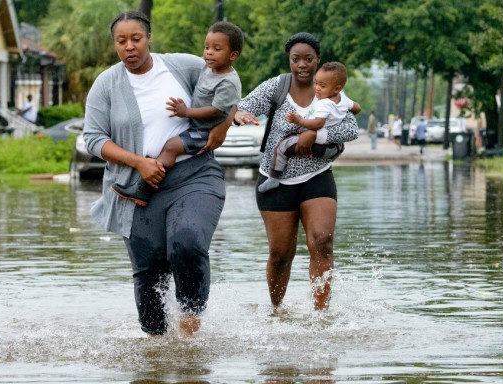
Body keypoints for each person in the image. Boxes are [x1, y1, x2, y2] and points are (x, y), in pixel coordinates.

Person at [83, 11, 234, 337]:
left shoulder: (185, 66)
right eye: (121, 42)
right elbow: (93, 139)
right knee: (148, 273)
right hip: (138, 187)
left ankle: (191, 331)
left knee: (187, 243)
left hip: (194, 175)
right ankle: (156, 350)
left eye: (136, 39)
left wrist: (221, 127)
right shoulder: (106, 85)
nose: (129, 47)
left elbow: (227, 88)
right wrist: (138, 161)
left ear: (148, 37)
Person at [234, 32, 359, 310]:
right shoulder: (276, 87)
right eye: (296, 59)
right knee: (280, 254)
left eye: (308, 59)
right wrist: (239, 115)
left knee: (322, 241)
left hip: (317, 176)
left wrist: (315, 135)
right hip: (275, 180)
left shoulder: (332, 92)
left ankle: (320, 316)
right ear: (289, 61)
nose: (302, 65)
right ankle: (277, 311)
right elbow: (241, 107)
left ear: (318, 61)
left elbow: (351, 130)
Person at [111, 21, 243, 207]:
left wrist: (186, 112)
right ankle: (150, 182)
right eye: (206, 47)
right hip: (197, 126)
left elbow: (217, 110)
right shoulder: (207, 67)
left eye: (216, 49)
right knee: (169, 147)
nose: (209, 53)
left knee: (171, 147)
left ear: (233, 55)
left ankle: (144, 189)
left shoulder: (228, 81)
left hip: (205, 130)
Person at [257, 62, 361, 193]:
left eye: (322, 86)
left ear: (336, 88)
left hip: (314, 137)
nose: (317, 88)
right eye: (316, 83)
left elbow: (318, 124)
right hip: (328, 145)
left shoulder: (325, 104)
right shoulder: (343, 99)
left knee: (281, 148)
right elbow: (357, 107)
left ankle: (273, 178)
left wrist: (300, 120)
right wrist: (341, 114)